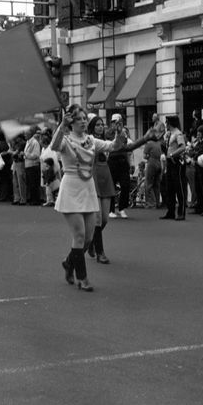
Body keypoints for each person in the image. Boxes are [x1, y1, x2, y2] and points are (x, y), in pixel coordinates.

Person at [51, 105, 156, 291]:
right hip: (71, 189)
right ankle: (82, 279)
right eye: (79, 119)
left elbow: (114, 146)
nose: (83, 121)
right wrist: (61, 125)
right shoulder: (66, 140)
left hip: (88, 188)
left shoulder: (91, 140)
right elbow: (54, 146)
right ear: (71, 122)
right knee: (79, 235)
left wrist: (119, 133)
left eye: (85, 118)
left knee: (89, 237)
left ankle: (69, 263)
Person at [87, 115, 117, 263]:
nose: (100, 127)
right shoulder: (89, 140)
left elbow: (115, 145)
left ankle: (92, 240)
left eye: (102, 124)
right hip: (93, 178)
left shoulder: (105, 141)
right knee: (98, 218)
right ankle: (100, 252)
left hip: (105, 176)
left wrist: (120, 133)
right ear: (92, 126)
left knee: (105, 218)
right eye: (97, 124)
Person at [161, 115, 188, 221]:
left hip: (177, 161)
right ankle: (170, 211)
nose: (166, 124)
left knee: (179, 187)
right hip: (169, 162)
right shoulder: (168, 134)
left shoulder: (178, 133)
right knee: (170, 187)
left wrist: (172, 155)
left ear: (171, 123)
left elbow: (183, 147)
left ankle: (181, 212)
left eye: (167, 122)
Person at [106, 113, 131, 219]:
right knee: (111, 186)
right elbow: (112, 144)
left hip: (123, 160)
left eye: (119, 121)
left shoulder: (124, 131)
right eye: (114, 122)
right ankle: (111, 209)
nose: (116, 124)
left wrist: (120, 131)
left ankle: (121, 208)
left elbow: (125, 143)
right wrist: (116, 132)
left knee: (126, 185)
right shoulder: (108, 132)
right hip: (112, 161)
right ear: (111, 123)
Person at [143, 120, 165, 209]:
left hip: (151, 163)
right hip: (159, 163)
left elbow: (145, 156)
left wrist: (148, 157)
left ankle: (150, 203)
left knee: (148, 184)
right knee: (157, 185)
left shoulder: (148, 144)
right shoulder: (158, 143)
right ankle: (157, 202)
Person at [24, 127, 43, 205]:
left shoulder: (34, 142)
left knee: (34, 184)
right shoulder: (28, 142)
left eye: (26, 134)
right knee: (30, 184)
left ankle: (35, 200)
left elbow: (36, 155)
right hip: (28, 165)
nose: (24, 135)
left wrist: (26, 155)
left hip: (33, 165)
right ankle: (32, 199)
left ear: (30, 134)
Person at [10, 133, 27, 206]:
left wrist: (12, 152)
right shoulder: (15, 143)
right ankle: (16, 198)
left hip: (20, 162)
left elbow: (15, 152)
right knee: (15, 181)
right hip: (15, 162)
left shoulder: (22, 143)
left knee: (20, 181)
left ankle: (22, 199)